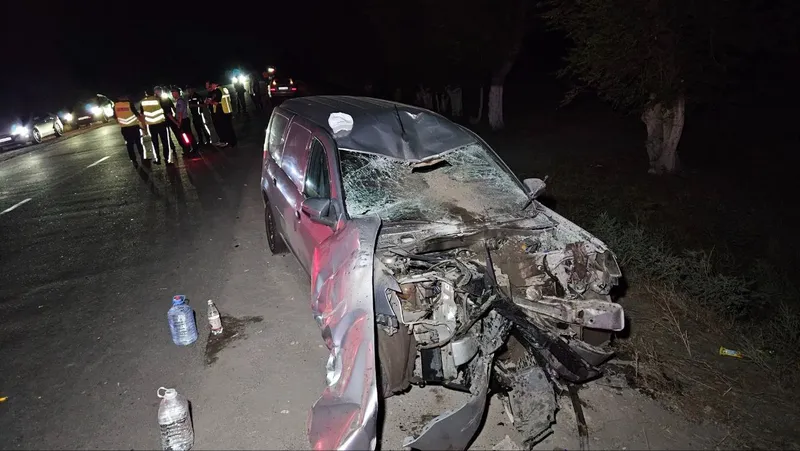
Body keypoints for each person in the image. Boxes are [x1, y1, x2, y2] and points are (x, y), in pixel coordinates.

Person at [140, 89, 171, 164]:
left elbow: (142, 116)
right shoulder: (159, 99)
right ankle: (167, 159)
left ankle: (158, 159)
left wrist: (144, 128)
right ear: (153, 92)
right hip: (161, 124)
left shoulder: (143, 102)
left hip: (151, 126)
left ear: (146, 93)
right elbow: (166, 112)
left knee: (155, 143)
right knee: (165, 142)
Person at [114, 94, 145, 164]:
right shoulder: (129, 104)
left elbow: (116, 118)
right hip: (134, 127)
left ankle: (133, 159)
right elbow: (137, 115)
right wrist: (143, 126)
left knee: (129, 144)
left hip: (125, 128)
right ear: (125, 97)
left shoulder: (115, 106)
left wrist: (122, 123)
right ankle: (142, 157)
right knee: (138, 142)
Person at [155, 86, 186, 157]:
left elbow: (172, 109)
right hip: (164, 120)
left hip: (167, 120)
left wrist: (177, 118)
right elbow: (172, 109)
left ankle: (182, 147)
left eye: (159, 91)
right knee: (171, 136)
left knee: (176, 134)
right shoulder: (160, 100)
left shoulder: (162, 100)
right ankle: (176, 148)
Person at [205, 80, 237, 147]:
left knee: (226, 128)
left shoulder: (218, 91)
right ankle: (232, 142)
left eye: (211, 85)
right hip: (227, 110)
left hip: (223, 112)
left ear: (214, 84)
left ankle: (229, 142)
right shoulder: (224, 89)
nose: (211, 87)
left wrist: (210, 102)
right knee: (229, 127)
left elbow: (217, 103)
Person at [171, 86, 198, 156]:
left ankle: (192, 148)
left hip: (183, 120)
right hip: (183, 120)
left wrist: (179, 122)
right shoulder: (179, 100)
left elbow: (180, 113)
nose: (172, 95)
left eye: (173, 93)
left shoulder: (180, 101)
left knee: (187, 135)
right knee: (187, 135)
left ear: (177, 93)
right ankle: (192, 148)